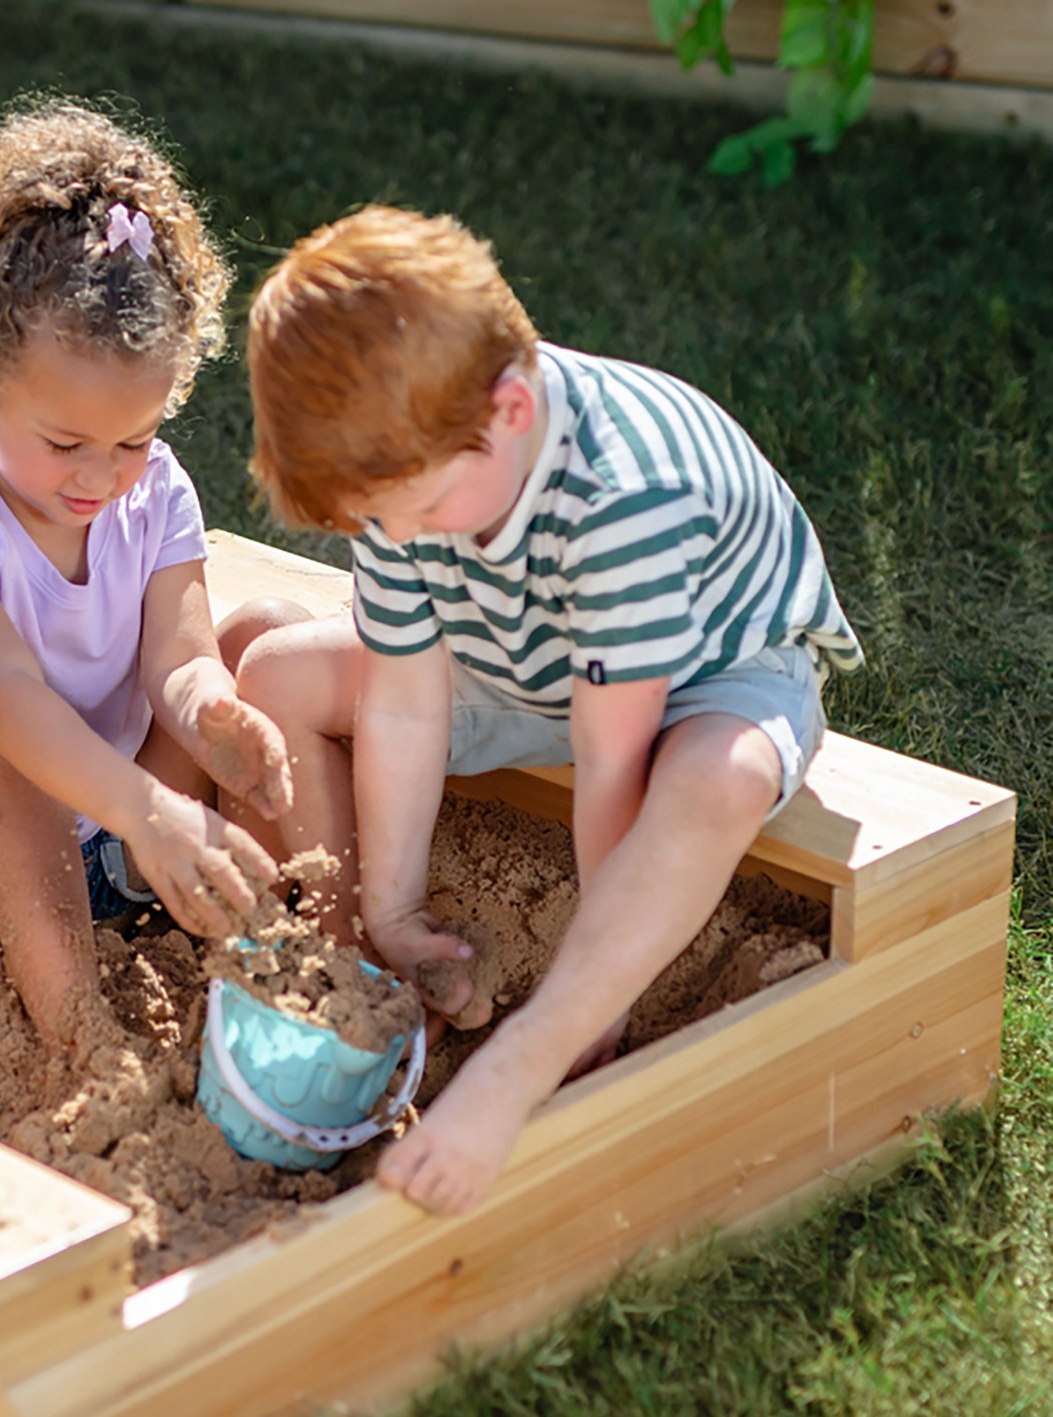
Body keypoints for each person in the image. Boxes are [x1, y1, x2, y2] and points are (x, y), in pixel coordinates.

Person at [237, 205, 862, 1215]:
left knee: (720, 778)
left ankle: (518, 1061)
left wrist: (578, 1013)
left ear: (512, 413)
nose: (399, 536)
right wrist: (394, 909)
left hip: (707, 673)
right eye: (376, 523)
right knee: (272, 676)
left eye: (422, 514)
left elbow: (614, 762)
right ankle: (354, 959)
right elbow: (404, 695)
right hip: (522, 657)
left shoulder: (625, 498)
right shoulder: (408, 458)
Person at [0, 101, 298, 1054]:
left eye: (134, 438)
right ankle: (82, 1040)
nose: (101, 476)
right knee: (5, 755)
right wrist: (156, 811)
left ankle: (313, 947)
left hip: (129, 827)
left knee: (268, 637)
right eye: (65, 444)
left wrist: (213, 708)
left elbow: (178, 656)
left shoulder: (157, 488)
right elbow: (9, 705)